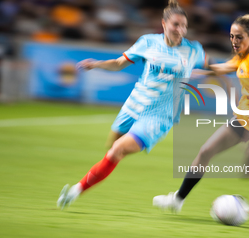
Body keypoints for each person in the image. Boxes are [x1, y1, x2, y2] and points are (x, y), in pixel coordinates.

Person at [57, 0, 208, 209]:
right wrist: (97, 64)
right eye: (176, 24)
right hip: (134, 105)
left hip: (160, 116)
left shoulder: (193, 50)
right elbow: (120, 63)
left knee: (116, 151)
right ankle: (97, 174)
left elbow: (214, 67)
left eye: (184, 26)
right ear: (164, 24)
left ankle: (75, 190)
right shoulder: (148, 42)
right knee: (110, 149)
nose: (180, 30)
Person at [153, 14, 249, 213]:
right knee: (205, 152)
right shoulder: (243, 56)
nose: (234, 41)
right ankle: (177, 200)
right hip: (244, 118)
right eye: (232, 36)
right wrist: (195, 72)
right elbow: (224, 68)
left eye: (239, 37)